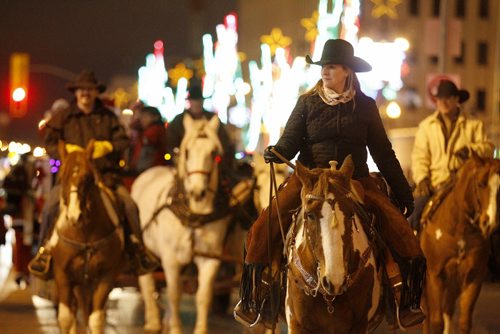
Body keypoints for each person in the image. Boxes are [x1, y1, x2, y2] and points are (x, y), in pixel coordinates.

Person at [234, 39, 426, 329]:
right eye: (323, 66)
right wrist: (277, 151)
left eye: (332, 67)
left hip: (356, 180)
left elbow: (383, 153)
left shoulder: (365, 106)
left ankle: (403, 297)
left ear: (347, 71)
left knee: (398, 226)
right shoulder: (306, 103)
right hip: (310, 179)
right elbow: (290, 142)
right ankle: (256, 296)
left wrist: (402, 192)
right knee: (263, 225)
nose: (325, 72)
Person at [28, 70, 159, 279]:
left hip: (104, 177)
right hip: (72, 178)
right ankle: (44, 251)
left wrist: (107, 146)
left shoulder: (108, 118)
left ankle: (137, 250)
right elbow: (50, 142)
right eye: (82, 90)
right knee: (51, 205)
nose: (85, 94)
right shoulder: (64, 117)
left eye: (90, 90)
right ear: (76, 92)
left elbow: (123, 141)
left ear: (96, 92)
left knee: (129, 206)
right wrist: (66, 152)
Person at [409, 79, 494, 230]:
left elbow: (488, 148)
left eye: (448, 98)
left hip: (465, 185)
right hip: (435, 184)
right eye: (440, 98)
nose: (443, 102)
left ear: (457, 100)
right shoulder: (426, 127)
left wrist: (470, 149)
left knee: (491, 215)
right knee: (414, 215)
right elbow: (419, 157)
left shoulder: (474, 125)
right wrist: (422, 179)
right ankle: (413, 249)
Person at [167, 85, 236, 187]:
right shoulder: (179, 121)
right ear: (189, 102)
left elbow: (224, 141)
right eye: (194, 100)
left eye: (198, 101)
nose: (196, 103)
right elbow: (170, 141)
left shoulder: (213, 119)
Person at [129, 105, 168, 173]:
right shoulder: (145, 131)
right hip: (148, 169)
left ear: (155, 117)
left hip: (149, 170)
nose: (142, 120)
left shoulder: (154, 130)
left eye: (145, 117)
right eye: (141, 117)